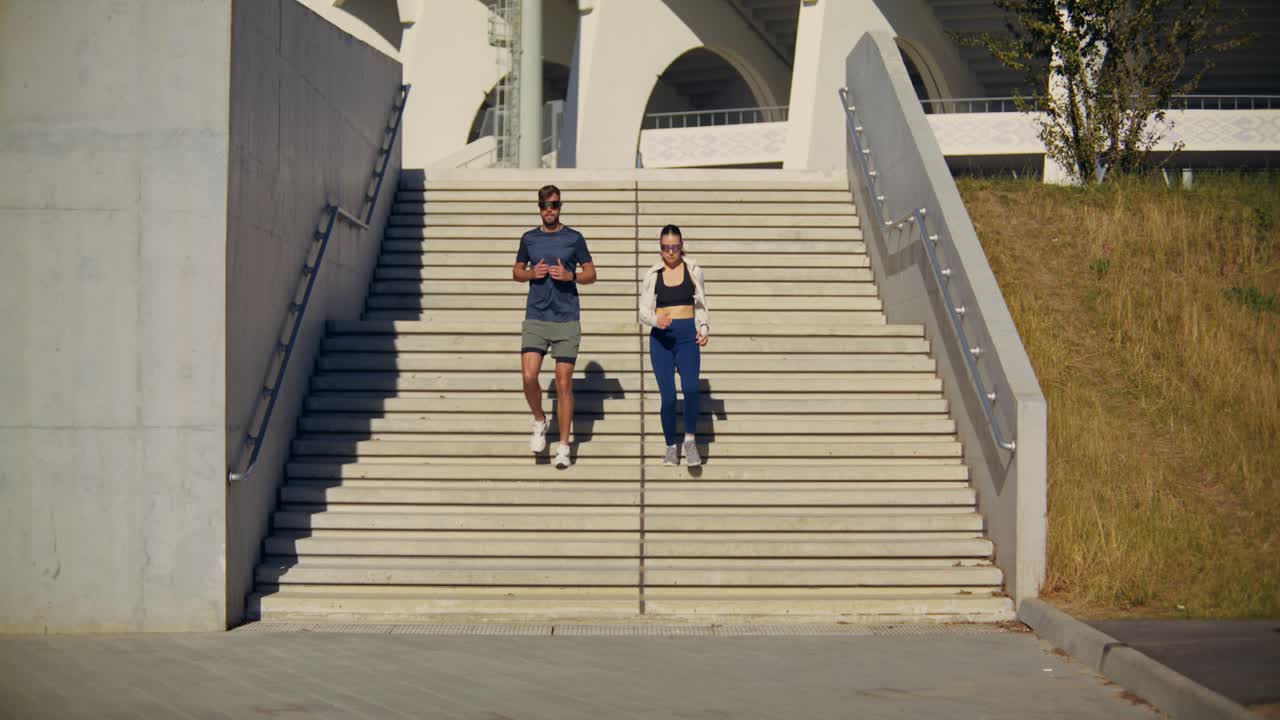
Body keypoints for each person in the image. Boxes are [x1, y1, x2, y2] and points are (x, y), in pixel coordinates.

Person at [512, 185, 596, 469]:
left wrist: (570, 275)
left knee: (563, 383)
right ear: (539, 207)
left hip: (566, 318)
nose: (550, 210)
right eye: (545, 205)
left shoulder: (574, 238)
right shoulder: (529, 238)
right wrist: (530, 274)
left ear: (561, 207)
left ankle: (563, 446)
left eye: (555, 205)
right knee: (528, 375)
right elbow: (516, 271)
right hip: (536, 315)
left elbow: (592, 274)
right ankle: (539, 419)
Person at [638, 224, 709, 466]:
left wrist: (703, 328)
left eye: (675, 247)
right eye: (666, 247)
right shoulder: (652, 274)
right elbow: (642, 312)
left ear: (681, 246)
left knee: (690, 389)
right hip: (662, 339)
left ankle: (690, 442)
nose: (670, 252)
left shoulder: (693, 270)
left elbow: (701, 305)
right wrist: (656, 320)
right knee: (668, 397)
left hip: (688, 336)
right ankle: (671, 446)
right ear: (660, 249)